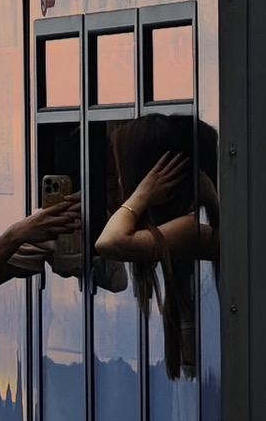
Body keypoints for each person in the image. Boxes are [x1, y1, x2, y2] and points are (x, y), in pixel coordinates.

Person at [93, 113, 218, 377]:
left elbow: (109, 242)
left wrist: (140, 196)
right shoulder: (187, 225)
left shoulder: (187, 229)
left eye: (120, 172)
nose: (117, 183)